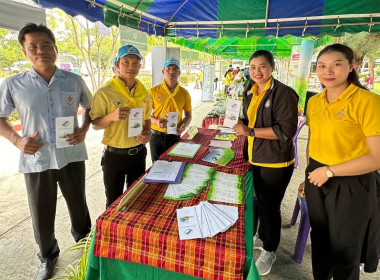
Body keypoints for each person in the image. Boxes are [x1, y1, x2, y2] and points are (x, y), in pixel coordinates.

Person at [0, 23, 92, 280]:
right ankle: (48, 256)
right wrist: (17, 140)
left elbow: (90, 109)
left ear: (55, 48)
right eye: (33, 46)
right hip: (36, 159)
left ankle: (85, 247)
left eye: (46, 45)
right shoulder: (13, 84)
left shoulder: (74, 80)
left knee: (79, 206)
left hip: (72, 156)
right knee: (41, 212)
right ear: (24, 51)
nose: (41, 51)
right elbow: (1, 118)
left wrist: (84, 130)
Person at [299, 43, 380, 280]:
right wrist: (309, 175)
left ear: (352, 66)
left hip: (352, 183)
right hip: (317, 174)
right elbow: (313, 141)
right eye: (322, 66)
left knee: (345, 249)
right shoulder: (314, 101)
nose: (328, 71)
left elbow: (376, 158)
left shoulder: (368, 101)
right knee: (321, 240)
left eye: (337, 64)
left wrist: (330, 171)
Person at [232, 50, 298, 276]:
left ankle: (270, 249)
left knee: (270, 206)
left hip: (275, 162)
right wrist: (237, 119)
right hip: (255, 157)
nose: (257, 72)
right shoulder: (250, 91)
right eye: (252, 67)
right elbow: (247, 118)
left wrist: (249, 130)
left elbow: (285, 131)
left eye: (262, 66)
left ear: (272, 67)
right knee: (258, 200)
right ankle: (262, 235)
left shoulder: (283, 93)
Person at [90, 45, 152, 208]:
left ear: (140, 66)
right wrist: (111, 116)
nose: (131, 66)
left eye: (136, 62)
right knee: (113, 203)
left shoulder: (144, 93)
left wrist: (148, 133)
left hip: (138, 154)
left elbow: (146, 120)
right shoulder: (105, 92)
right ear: (117, 64)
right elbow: (95, 124)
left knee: (136, 200)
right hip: (114, 157)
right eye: (126, 62)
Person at [149, 57, 192, 162]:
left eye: (175, 69)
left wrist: (183, 126)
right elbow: (146, 115)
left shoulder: (184, 93)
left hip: (174, 136)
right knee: (156, 166)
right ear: (163, 71)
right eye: (168, 69)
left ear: (179, 73)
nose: (171, 71)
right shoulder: (153, 92)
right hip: (156, 136)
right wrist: (156, 121)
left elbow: (188, 115)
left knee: (174, 166)